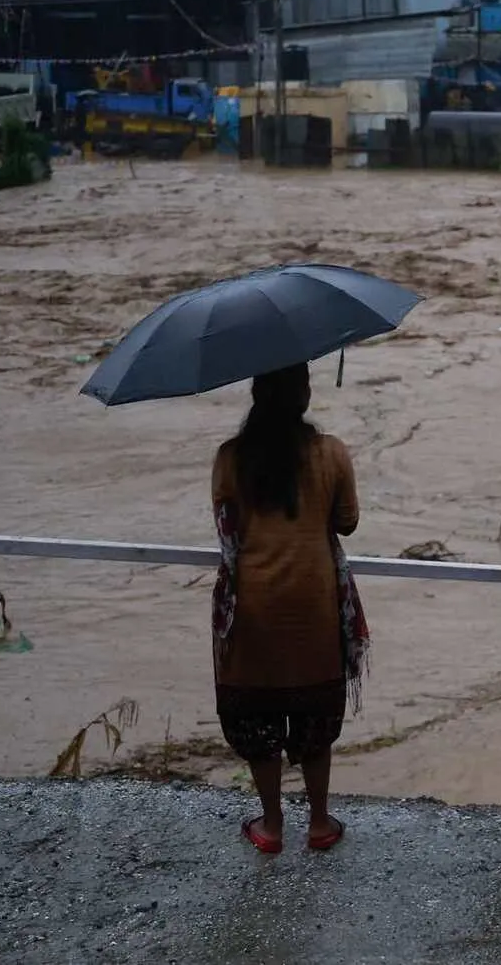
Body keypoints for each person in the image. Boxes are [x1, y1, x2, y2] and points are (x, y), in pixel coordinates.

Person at [210, 362, 367, 855]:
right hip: (315, 605)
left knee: (257, 721)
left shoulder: (229, 459)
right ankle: (320, 823)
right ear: (303, 396)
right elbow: (347, 523)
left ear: (256, 393)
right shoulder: (332, 453)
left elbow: (227, 532)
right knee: (315, 717)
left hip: (253, 609)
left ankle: (273, 826)